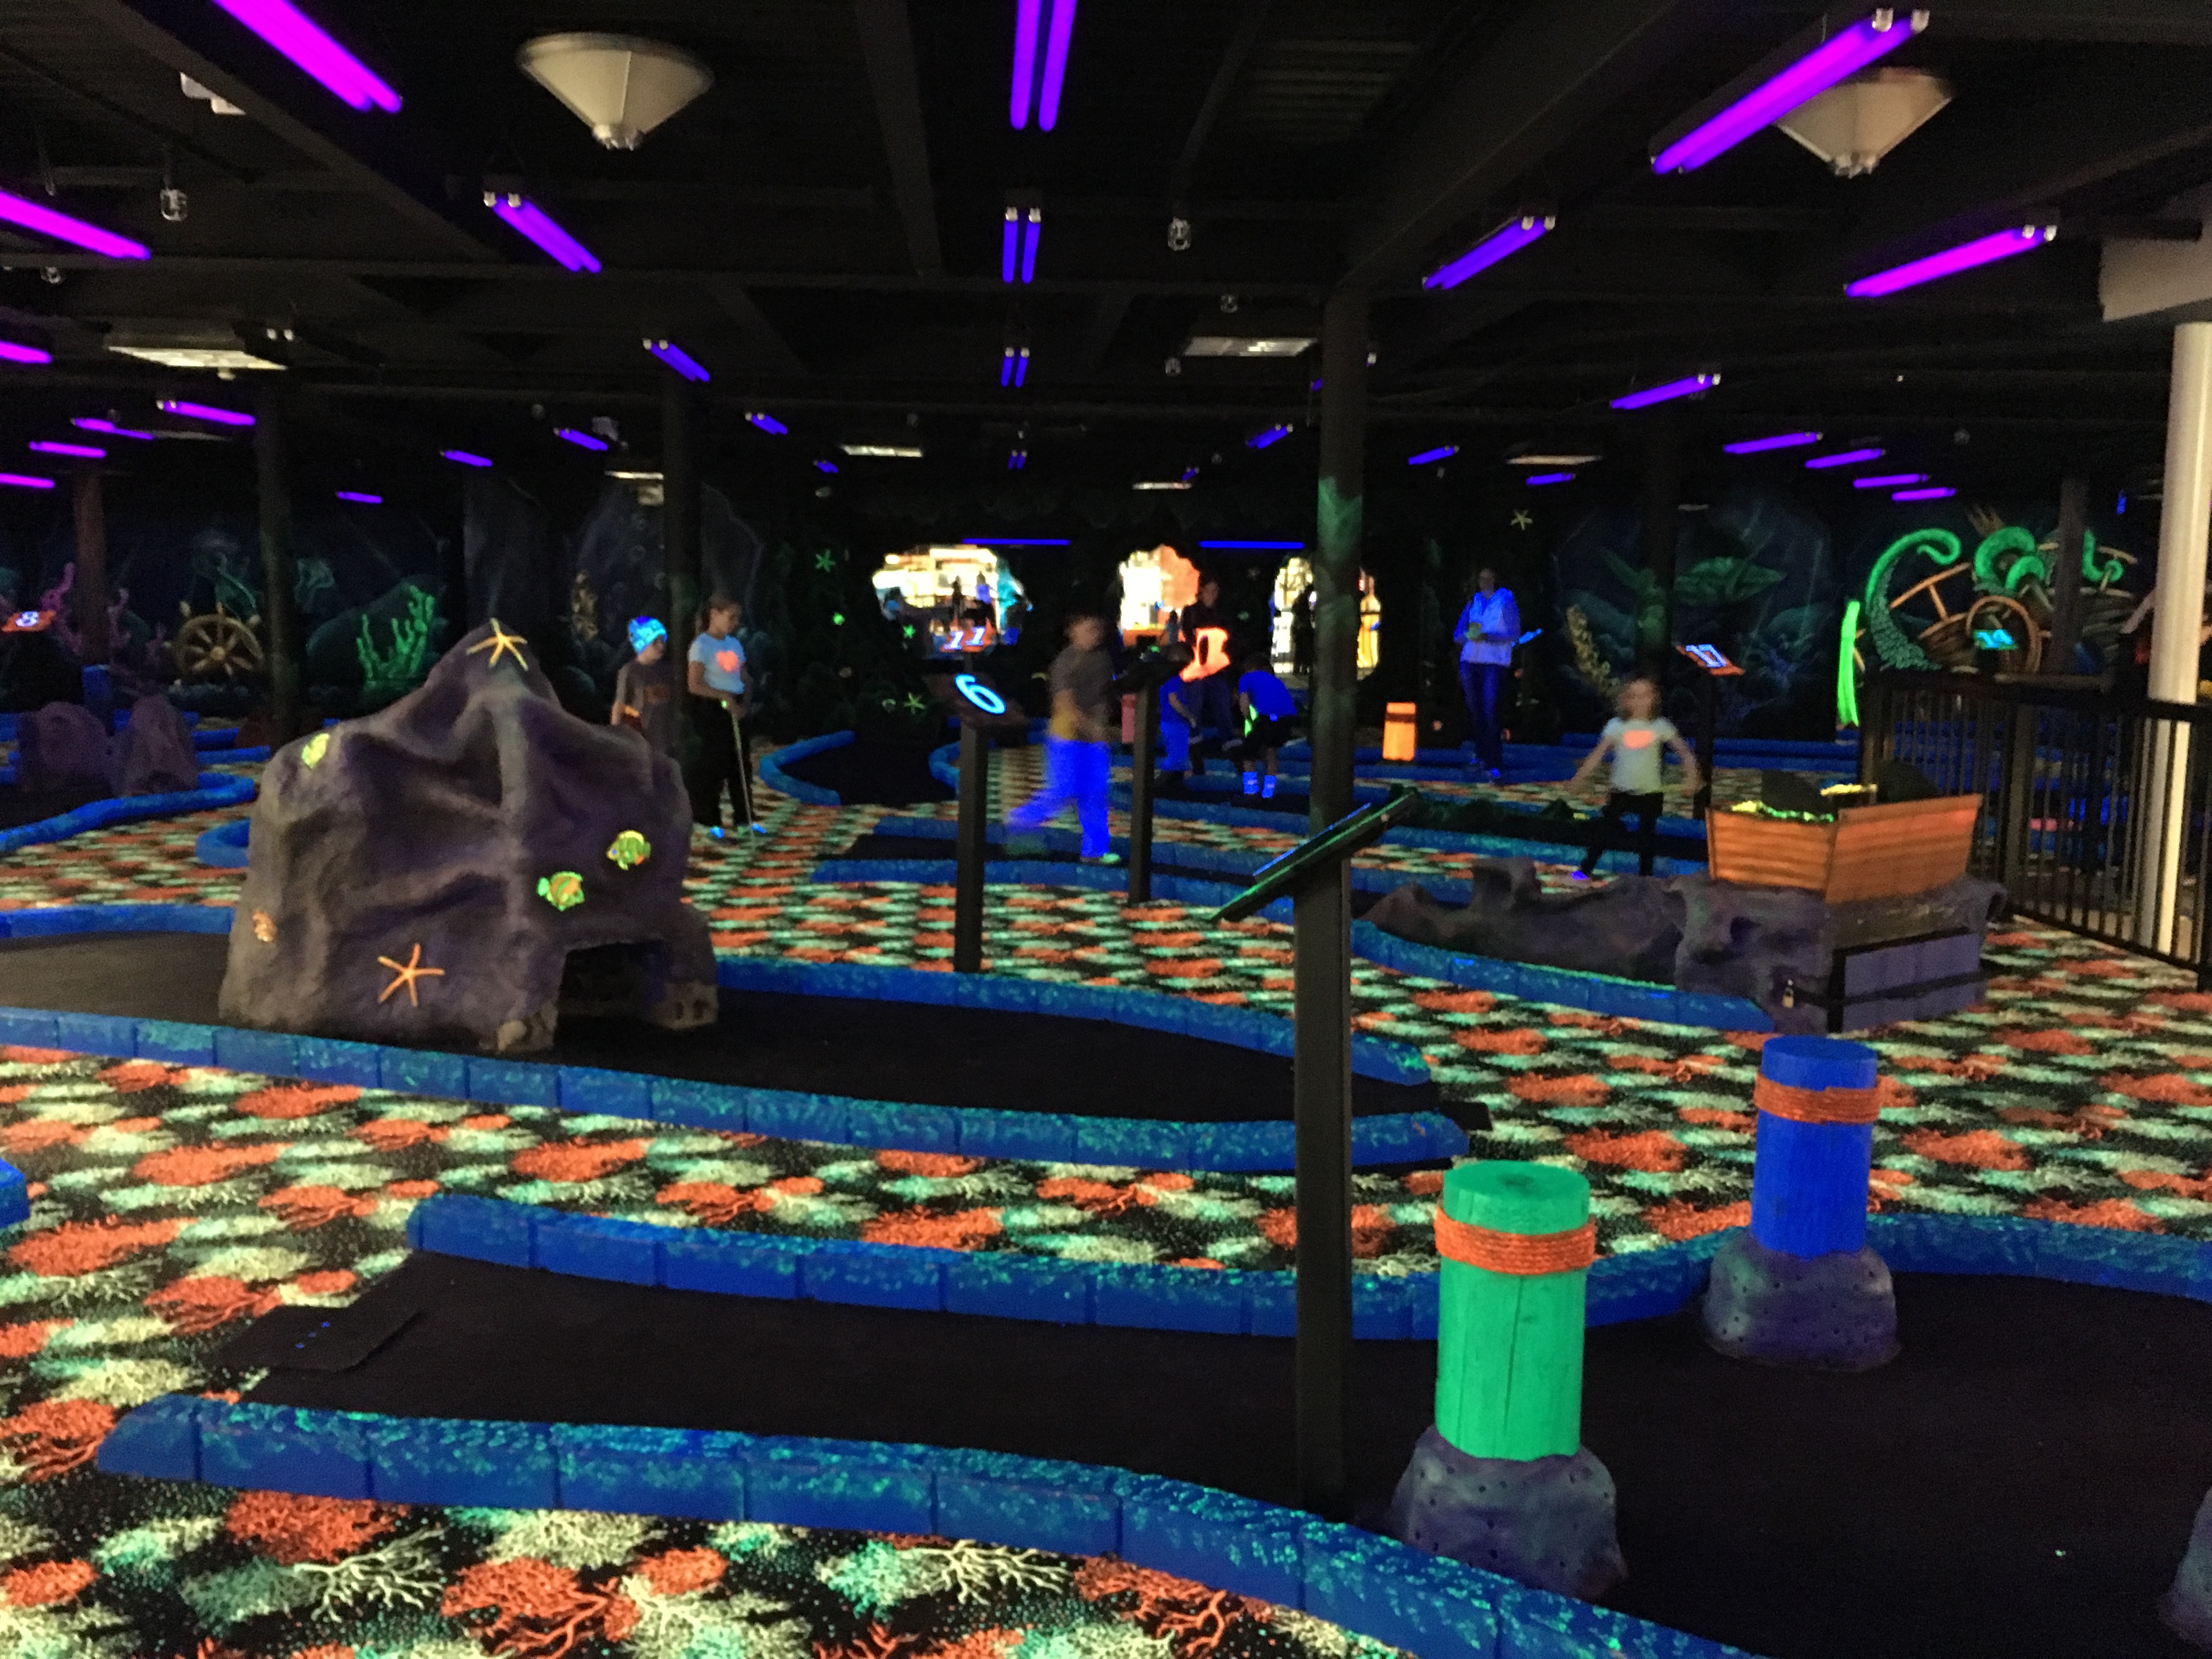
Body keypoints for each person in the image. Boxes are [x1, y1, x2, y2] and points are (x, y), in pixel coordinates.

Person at [1006, 613, 1119, 864]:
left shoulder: (1101, 659)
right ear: (1073, 631)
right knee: (1063, 791)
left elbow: (1104, 698)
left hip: (1092, 737)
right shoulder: (1066, 662)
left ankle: (1095, 851)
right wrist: (1094, 728)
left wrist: (1100, 728)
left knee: (1095, 795)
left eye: (1096, 628)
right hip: (1067, 736)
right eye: (1088, 628)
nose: (1094, 633)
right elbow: (1064, 703)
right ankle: (1021, 819)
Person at [1570, 673, 1700, 879]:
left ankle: (1645, 879)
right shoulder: (1616, 726)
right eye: (1634, 696)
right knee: (1604, 832)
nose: (1640, 702)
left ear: (1655, 698)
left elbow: (1685, 753)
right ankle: (1584, 871)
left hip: (1651, 792)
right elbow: (1597, 755)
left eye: (1645, 696)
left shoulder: (1661, 726)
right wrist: (1580, 777)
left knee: (1647, 838)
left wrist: (1692, 778)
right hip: (1620, 790)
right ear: (1625, 700)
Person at [686, 592, 765, 837]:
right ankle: (710, 819)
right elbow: (694, 684)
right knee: (715, 764)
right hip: (713, 709)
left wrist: (745, 701)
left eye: (737, 618)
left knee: (740, 763)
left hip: (736, 706)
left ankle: (745, 818)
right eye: (731, 617)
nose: (735, 623)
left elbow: (744, 677)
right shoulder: (702, 646)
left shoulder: (734, 644)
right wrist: (724, 698)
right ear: (715, 615)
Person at [1454, 567, 1520, 780]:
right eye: (1481, 578)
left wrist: (1488, 636)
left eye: (1488, 578)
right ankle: (1480, 755)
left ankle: (1494, 760)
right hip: (1471, 660)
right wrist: (1469, 635)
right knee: (1476, 711)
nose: (1484, 582)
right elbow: (1458, 634)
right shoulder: (1473, 602)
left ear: (1495, 580)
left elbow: (1514, 633)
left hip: (1494, 662)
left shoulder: (1505, 600)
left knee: (1490, 710)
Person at [1175, 577, 1239, 768]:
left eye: (1215, 591)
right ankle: (1193, 741)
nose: (1212, 595)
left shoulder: (1221, 613)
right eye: (1209, 590)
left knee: (1222, 704)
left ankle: (1229, 742)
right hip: (1197, 668)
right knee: (1194, 705)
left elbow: (1229, 638)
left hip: (1217, 669)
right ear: (1201, 591)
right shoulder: (1192, 612)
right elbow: (1189, 634)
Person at [1234, 650, 1300, 799]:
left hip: (1266, 718)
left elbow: (1244, 705)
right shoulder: (1276, 681)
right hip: (1287, 719)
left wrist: (1250, 722)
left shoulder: (1246, 678)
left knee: (1247, 756)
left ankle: (1251, 792)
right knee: (1271, 752)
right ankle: (1268, 793)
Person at [610, 616, 677, 758]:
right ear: (642, 643)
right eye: (654, 642)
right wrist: (616, 740)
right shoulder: (629, 672)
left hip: (666, 738)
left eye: (662, 640)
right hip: (641, 739)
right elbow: (620, 706)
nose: (661, 646)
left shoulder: (667, 671)